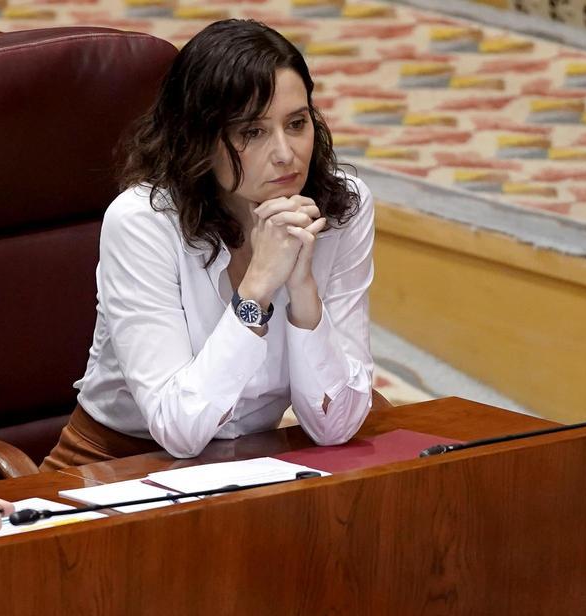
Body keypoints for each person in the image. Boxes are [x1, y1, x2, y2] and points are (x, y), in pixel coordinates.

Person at [41, 19, 375, 469]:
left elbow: (335, 427)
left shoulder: (341, 208)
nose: (285, 152)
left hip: (251, 462)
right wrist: (257, 287)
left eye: (297, 123)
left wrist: (303, 293)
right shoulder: (144, 221)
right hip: (114, 466)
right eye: (251, 133)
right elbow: (180, 430)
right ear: (198, 139)